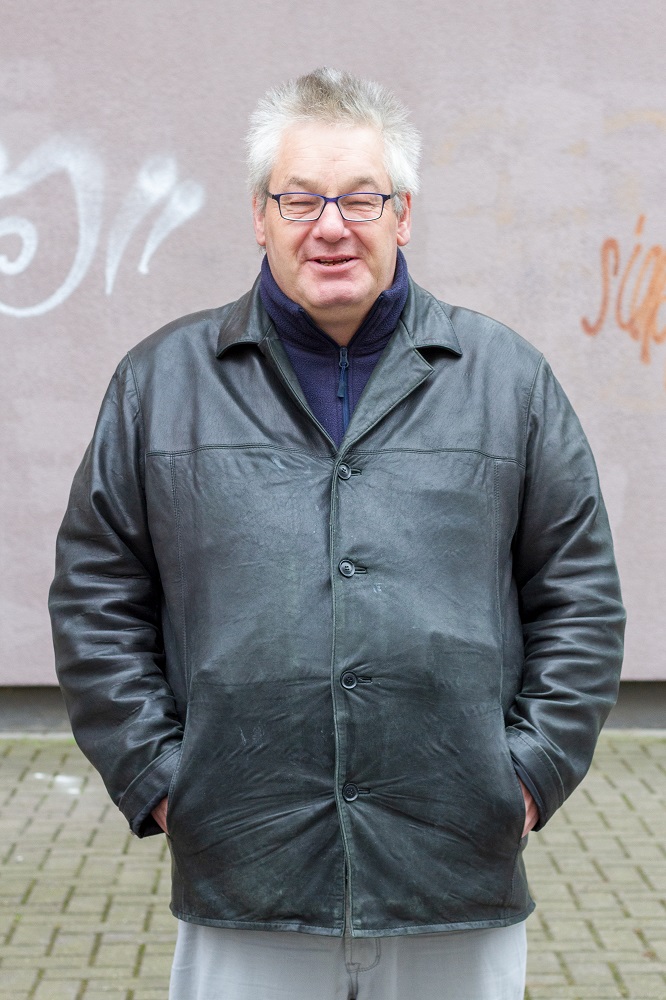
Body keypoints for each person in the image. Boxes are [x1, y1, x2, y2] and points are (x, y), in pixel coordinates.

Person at [49, 68, 625, 1000]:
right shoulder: (160, 384)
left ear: (402, 213)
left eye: (360, 198)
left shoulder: (508, 380)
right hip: (245, 871)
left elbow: (579, 597)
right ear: (259, 215)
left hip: (454, 868)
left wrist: (528, 772)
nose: (330, 224)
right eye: (301, 198)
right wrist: (163, 778)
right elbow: (97, 596)